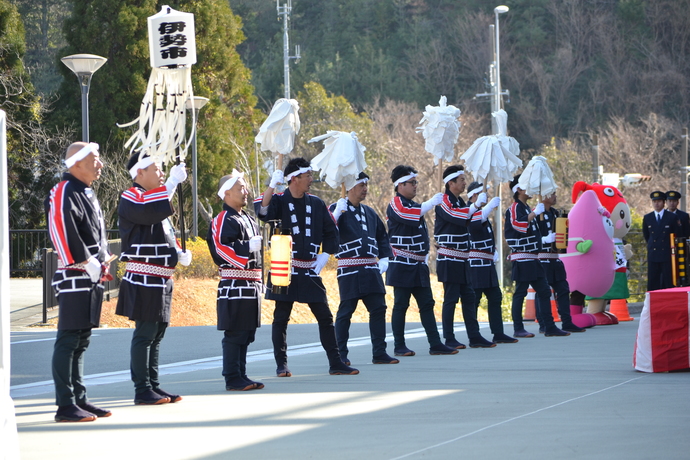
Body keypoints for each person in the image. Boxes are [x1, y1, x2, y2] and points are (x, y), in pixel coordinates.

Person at [255, 157, 358, 377]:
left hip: (310, 267)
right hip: (286, 267)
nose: (311, 179)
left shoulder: (317, 203)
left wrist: (326, 254)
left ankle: (335, 362)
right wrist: (271, 186)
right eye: (307, 175)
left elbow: (331, 231)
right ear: (294, 179)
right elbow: (262, 212)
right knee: (281, 316)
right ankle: (281, 364)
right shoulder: (280, 201)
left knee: (325, 316)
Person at [115, 152, 191, 405]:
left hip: (161, 276)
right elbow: (148, 212)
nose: (161, 174)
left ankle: (154, 385)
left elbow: (164, 230)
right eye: (156, 169)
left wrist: (179, 251)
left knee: (157, 333)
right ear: (140, 173)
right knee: (145, 333)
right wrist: (170, 184)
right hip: (144, 276)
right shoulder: (131, 196)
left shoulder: (154, 197)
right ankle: (142, 389)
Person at [45, 141, 112, 422]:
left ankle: (79, 398)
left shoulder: (86, 192)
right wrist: (87, 260)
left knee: (81, 339)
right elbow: (60, 228)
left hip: (90, 274)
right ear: (77, 163)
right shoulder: (63, 190)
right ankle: (65, 403)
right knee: (69, 338)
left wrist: (103, 258)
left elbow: (96, 233)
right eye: (95, 159)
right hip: (74, 274)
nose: (100, 164)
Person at [386, 165, 458, 356]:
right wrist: (430, 203)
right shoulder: (396, 203)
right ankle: (399, 345)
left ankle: (435, 343)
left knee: (427, 303)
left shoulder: (415, 206)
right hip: (402, 262)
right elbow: (408, 215)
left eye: (416, 182)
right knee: (401, 304)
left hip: (418, 264)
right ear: (400, 185)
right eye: (412, 183)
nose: (415, 186)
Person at [329, 172, 398, 365]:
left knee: (379, 308)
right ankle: (340, 353)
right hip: (350, 269)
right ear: (350, 187)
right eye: (361, 185)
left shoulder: (369, 212)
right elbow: (326, 232)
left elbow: (382, 236)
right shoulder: (337, 209)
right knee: (346, 311)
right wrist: (335, 215)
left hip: (370, 268)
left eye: (366, 185)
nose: (365, 189)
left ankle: (379, 352)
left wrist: (385, 257)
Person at [208, 171, 265, 391]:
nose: (246, 191)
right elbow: (220, 249)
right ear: (227, 192)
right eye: (241, 188)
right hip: (234, 284)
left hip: (251, 284)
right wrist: (245, 249)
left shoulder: (249, 219)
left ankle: (241, 373)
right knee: (235, 332)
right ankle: (232, 376)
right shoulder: (222, 219)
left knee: (247, 332)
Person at [434, 166, 494, 349]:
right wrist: (475, 206)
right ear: (450, 183)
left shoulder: (460, 201)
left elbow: (471, 220)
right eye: (460, 179)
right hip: (449, 257)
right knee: (451, 298)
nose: (464, 182)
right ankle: (449, 337)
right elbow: (455, 216)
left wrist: (482, 210)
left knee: (468, 297)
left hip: (463, 257)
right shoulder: (443, 200)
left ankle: (474, 336)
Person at [504, 175, 570, 338]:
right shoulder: (514, 208)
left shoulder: (526, 208)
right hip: (522, 257)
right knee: (520, 292)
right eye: (527, 186)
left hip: (534, 257)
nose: (531, 189)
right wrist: (534, 213)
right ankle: (518, 327)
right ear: (518, 189)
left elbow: (534, 233)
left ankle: (549, 326)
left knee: (544, 291)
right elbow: (518, 226)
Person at [466, 181, 519, 344]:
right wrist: (487, 207)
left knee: (495, 296)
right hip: (476, 263)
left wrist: (493, 249)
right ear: (474, 195)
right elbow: (474, 225)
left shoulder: (482, 212)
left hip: (487, 263)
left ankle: (498, 332)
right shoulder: (469, 211)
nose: (487, 196)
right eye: (483, 194)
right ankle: (474, 335)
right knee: (475, 299)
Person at [534, 193, 585, 333]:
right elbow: (531, 234)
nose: (555, 196)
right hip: (542, 258)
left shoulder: (555, 213)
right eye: (552, 194)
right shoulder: (536, 213)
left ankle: (567, 322)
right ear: (543, 195)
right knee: (543, 292)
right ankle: (544, 324)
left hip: (555, 257)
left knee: (563, 289)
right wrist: (544, 239)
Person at [643, 191, 678, 291]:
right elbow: (647, 235)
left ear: (664, 203)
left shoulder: (672, 217)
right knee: (653, 280)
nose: (656, 204)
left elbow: (676, 235)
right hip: (653, 253)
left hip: (666, 254)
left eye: (659, 201)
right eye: (654, 202)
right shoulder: (647, 217)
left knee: (668, 280)